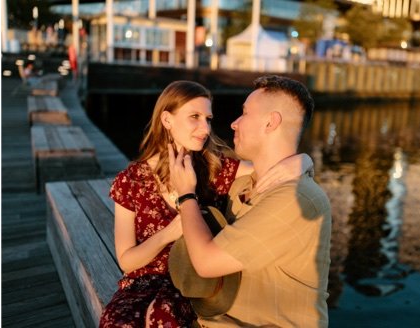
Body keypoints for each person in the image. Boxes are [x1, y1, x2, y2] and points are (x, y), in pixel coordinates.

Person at [168, 75, 331, 327]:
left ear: (270, 122)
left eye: (244, 113)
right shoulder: (245, 184)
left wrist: (186, 195)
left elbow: (207, 263)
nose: (234, 123)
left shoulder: (296, 199)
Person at [99, 81, 241, 327]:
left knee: (164, 316)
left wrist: (303, 161)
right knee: (117, 322)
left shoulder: (216, 168)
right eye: (194, 117)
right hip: (142, 282)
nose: (205, 128)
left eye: (208, 118)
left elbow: (271, 166)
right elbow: (126, 261)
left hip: (191, 284)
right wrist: (170, 233)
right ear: (167, 120)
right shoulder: (131, 181)